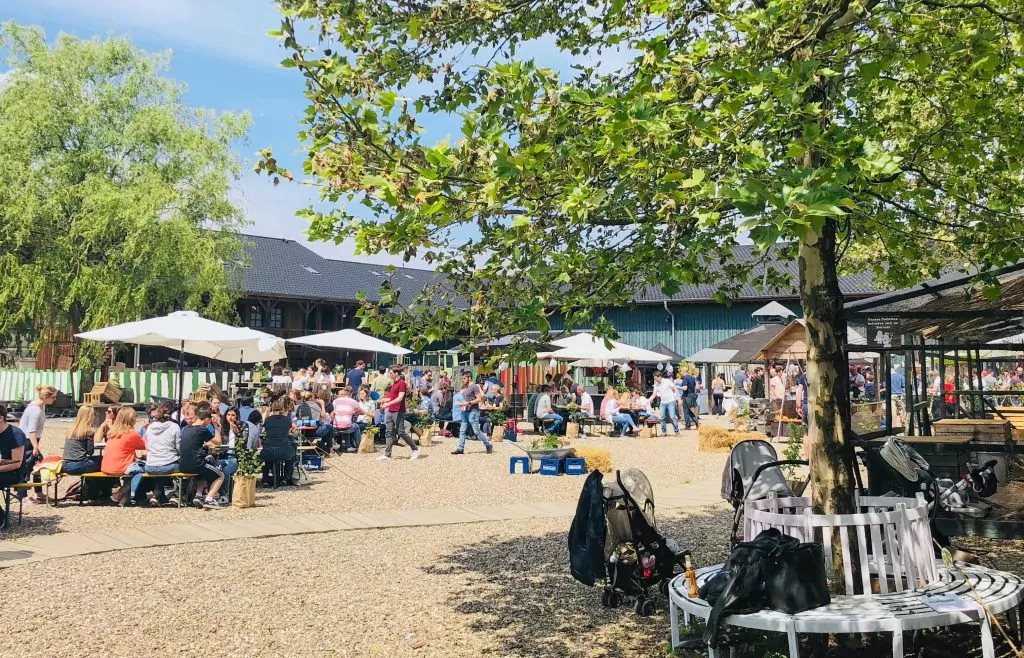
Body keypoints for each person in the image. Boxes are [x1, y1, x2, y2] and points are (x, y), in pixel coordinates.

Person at [178, 402, 226, 508]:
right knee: (220, 476)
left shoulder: (186, 429)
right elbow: (218, 441)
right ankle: (209, 499)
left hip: (182, 465)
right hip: (196, 464)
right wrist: (216, 427)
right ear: (207, 420)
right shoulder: (202, 429)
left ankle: (198, 495)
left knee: (204, 469)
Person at [19, 384, 57, 503]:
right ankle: (23, 496)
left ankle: (38, 493)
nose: (55, 399)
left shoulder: (41, 406)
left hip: (31, 440)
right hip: (27, 440)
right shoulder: (35, 409)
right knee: (26, 467)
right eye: (53, 397)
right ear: (46, 397)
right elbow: (31, 431)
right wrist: (35, 446)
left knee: (38, 466)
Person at [100, 407, 146, 506]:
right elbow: (144, 445)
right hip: (120, 467)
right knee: (143, 468)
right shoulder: (131, 434)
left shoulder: (112, 433)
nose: (136, 417)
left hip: (107, 465)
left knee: (133, 469)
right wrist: (146, 430)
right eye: (135, 415)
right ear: (130, 418)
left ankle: (124, 500)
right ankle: (120, 494)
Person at [138, 402, 181, 506]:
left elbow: (147, 446)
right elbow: (179, 449)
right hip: (167, 464)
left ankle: (156, 496)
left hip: (150, 466)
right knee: (187, 467)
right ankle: (178, 495)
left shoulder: (150, 427)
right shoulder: (174, 427)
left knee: (162, 468)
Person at [379, 367, 420, 461]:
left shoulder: (402, 383)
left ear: (396, 373)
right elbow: (394, 397)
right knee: (388, 432)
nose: (389, 375)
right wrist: (385, 400)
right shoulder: (393, 384)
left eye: (391, 373)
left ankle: (415, 449)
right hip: (390, 410)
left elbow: (400, 398)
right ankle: (387, 454)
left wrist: (387, 404)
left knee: (401, 432)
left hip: (398, 411)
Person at [452, 372, 493, 455]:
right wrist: (462, 404)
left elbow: (479, 399)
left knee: (476, 431)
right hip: (466, 411)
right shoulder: (467, 388)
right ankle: (460, 449)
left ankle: (488, 445)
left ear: (469, 378)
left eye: (464, 378)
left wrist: (467, 403)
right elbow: (468, 400)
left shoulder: (474, 386)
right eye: (462, 378)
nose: (462, 380)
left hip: (473, 411)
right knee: (462, 430)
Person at [261, 397, 297, 485]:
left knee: (268, 458)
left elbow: (263, 431)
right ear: (283, 408)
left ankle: (265, 479)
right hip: (283, 450)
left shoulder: (268, 419)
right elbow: (289, 432)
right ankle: (286, 477)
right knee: (292, 454)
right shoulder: (287, 420)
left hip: (268, 450)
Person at [0, 405, 28, 519]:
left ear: (1, 418)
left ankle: (1, 518)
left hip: (14, 473)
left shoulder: (15, 434)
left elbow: (16, 463)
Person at [61, 404, 101, 478]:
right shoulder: (88, 430)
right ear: (89, 416)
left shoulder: (71, 429)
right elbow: (90, 452)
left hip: (66, 465)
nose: (95, 417)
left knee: (98, 460)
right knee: (105, 462)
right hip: (78, 465)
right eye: (93, 414)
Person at [331, 386, 366, 453]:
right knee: (355, 426)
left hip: (336, 426)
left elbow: (334, 412)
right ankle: (358, 446)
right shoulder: (353, 401)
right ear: (351, 393)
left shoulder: (335, 401)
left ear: (344, 392)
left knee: (346, 423)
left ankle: (348, 446)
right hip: (346, 427)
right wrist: (355, 412)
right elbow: (362, 412)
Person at [652, 371, 679, 435]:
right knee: (662, 417)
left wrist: (678, 397)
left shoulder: (667, 381)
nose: (655, 380)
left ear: (659, 377)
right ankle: (664, 432)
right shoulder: (656, 384)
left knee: (672, 417)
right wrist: (649, 400)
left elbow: (674, 388)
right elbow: (654, 394)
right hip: (663, 402)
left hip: (671, 401)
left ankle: (677, 431)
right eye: (654, 379)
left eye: (656, 378)